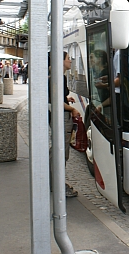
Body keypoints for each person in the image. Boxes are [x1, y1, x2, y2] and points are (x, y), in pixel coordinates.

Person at [48, 51, 80, 198]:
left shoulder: (56, 77)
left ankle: (54, 181)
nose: (71, 61)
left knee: (57, 149)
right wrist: (72, 109)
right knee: (61, 151)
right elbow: (56, 101)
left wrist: (66, 99)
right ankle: (57, 185)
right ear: (60, 61)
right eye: (68, 59)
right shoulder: (57, 78)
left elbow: (56, 97)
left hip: (57, 116)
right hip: (61, 118)